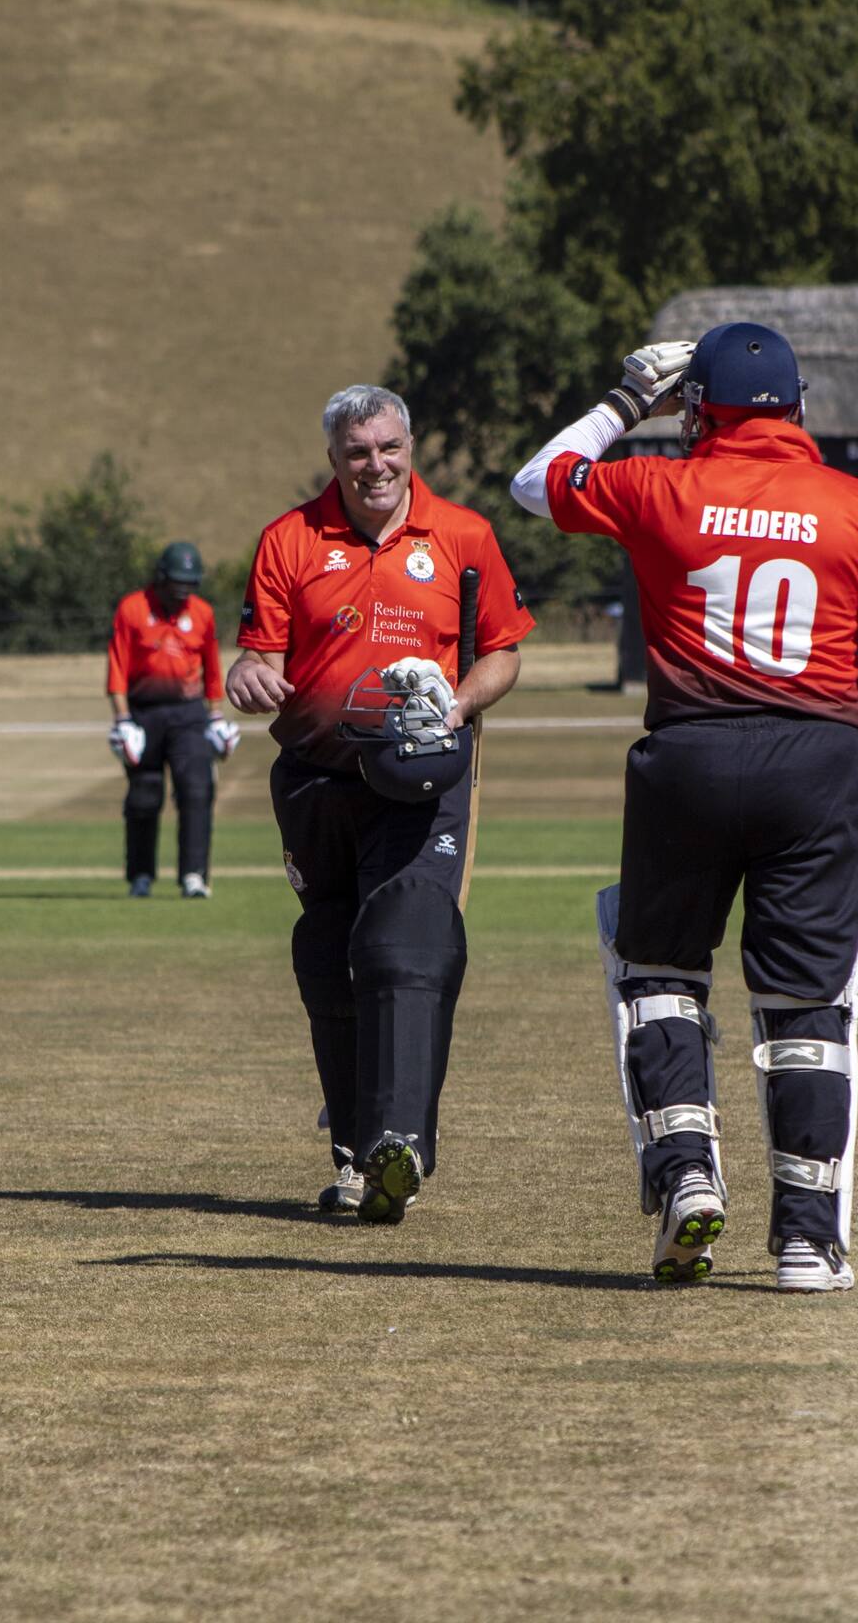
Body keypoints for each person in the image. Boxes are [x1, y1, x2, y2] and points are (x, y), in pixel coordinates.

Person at [510, 325, 858, 1290]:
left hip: (686, 755)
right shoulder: (854, 508)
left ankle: (688, 1174)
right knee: (809, 1004)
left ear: (701, 409)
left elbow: (537, 481)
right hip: (814, 763)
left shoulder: (657, 486)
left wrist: (621, 405)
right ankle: (808, 1242)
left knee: (657, 975)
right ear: (799, 407)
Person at [225, 384, 533, 1223]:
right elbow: (257, 655)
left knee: (402, 942)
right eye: (358, 452)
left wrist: (460, 704)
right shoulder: (289, 540)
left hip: (420, 782)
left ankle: (399, 1140)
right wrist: (247, 675)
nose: (376, 466)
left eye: (388, 448)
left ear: (411, 448)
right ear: (334, 459)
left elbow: (503, 652)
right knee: (327, 954)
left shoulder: (463, 536)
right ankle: (357, 1161)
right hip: (317, 781)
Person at [107, 540, 239, 899]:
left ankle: (194, 876)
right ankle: (141, 876)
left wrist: (216, 717)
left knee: (196, 791)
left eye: (189, 584)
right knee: (144, 795)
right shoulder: (133, 608)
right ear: (161, 578)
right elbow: (117, 666)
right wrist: (122, 721)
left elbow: (212, 667)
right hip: (144, 712)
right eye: (176, 583)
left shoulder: (201, 613)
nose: (182, 591)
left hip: (189, 714)